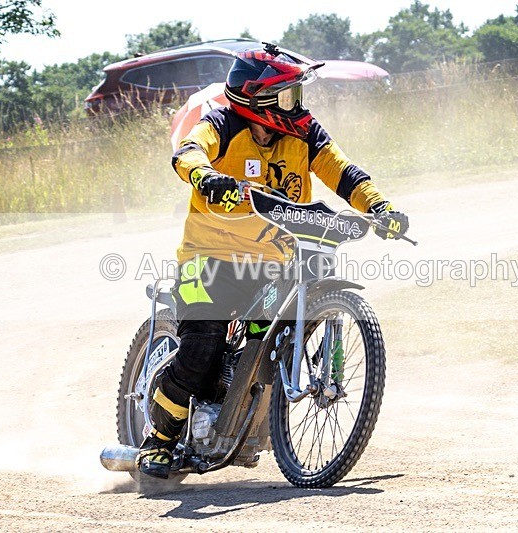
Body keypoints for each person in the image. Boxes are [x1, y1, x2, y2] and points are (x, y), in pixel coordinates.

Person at [137, 42, 410, 479]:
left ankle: (252, 419)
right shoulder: (223, 124)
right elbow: (187, 152)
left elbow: (345, 172)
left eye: (296, 95)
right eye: (288, 97)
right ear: (258, 100)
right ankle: (160, 439)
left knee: (280, 331)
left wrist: (379, 207)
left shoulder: (305, 133)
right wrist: (206, 178)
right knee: (200, 350)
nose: (297, 106)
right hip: (207, 260)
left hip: (274, 261)